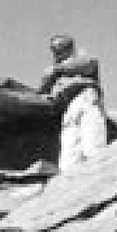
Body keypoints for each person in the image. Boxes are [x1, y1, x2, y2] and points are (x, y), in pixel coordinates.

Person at [40, 33, 107, 172]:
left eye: (60, 46)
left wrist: (56, 69)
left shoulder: (81, 58)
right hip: (67, 107)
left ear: (69, 47)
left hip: (85, 97)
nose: (56, 50)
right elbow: (43, 90)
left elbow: (89, 64)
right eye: (54, 48)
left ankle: (99, 176)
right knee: (69, 156)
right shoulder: (54, 72)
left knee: (93, 146)